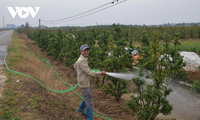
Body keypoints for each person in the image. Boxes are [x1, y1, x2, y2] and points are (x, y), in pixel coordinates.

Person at [73, 44, 107, 120]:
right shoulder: (81, 60)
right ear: (81, 51)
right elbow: (89, 72)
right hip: (84, 84)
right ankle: (89, 118)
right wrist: (100, 73)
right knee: (89, 101)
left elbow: (75, 66)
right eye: (84, 50)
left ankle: (80, 110)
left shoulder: (83, 58)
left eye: (87, 50)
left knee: (87, 97)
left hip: (85, 81)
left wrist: (80, 72)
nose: (86, 52)